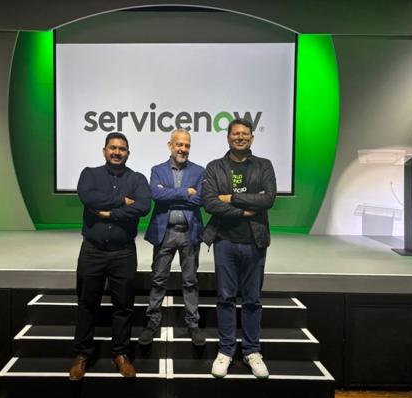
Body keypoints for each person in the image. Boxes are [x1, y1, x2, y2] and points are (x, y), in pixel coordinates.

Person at [69, 132, 151, 380]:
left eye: (122, 149)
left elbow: (144, 206)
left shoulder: (137, 179)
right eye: (112, 148)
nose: (117, 152)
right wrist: (122, 201)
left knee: (123, 306)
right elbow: (88, 197)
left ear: (128, 153)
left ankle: (120, 354)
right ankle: (82, 354)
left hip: (123, 253)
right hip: (92, 251)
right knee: (87, 304)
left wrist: (111, 213)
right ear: (104, 150)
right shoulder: (89, 174)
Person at [202, 118, 276, 379]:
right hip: (224, 241)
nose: (240, 137)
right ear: (228, 138)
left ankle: (252, 350)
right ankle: (225, 350)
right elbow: (210, 203)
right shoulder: (214, 167)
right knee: (225, 298)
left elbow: (268, 199)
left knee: (252, 299)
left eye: (245, 134)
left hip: (255, 241)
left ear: (252, 138)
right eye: (235, 134)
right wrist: (245, 209)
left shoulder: (264, 165)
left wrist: (232, 198)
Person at [140, 129, 206, 346]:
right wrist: (186, 192)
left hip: (189, 232)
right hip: (164, 232)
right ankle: (152, 322)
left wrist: (170, 193)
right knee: (158, 279)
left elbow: (201, 200)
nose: (183, 149)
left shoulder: (199, 171)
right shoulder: (157, 170)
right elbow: (156, 195)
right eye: (179, 144)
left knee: (190, 281)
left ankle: (193, 324)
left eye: (187, 145)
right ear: (170, 145)